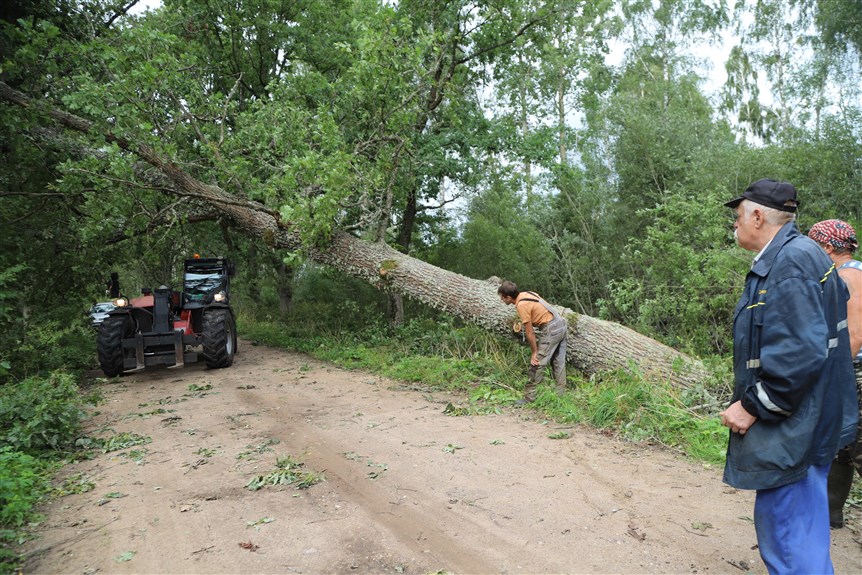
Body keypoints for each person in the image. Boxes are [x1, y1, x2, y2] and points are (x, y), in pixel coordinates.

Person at [720, 179, 857, 575]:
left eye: (737, 216)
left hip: (794, 428)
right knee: (801, 531)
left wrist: (752, 406)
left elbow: (800, 353)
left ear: (757, 216)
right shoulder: (802, 254)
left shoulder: (791, 263)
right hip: (808, 420)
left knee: (788, 536)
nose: (735, 224)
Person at [808, 219, 862, 529]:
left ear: (828, 247)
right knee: (841, 444)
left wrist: (838, 375)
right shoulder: (843, 273)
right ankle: (831, 513)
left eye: (814, 246)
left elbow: (854, 333)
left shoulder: (849, 275)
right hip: (850, 369)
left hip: (855, 371)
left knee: (858, 445)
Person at [497, 280, 568, 404]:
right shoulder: (528, 294)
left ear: (508, 297)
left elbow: (530, 333)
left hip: (551, 329)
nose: (501, 300)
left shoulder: (521, 305)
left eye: (502, 298)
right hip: (561, 325)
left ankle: (529, 398)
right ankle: (560, 397)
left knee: (537, 364)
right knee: (559, 363)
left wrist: (534, 353)